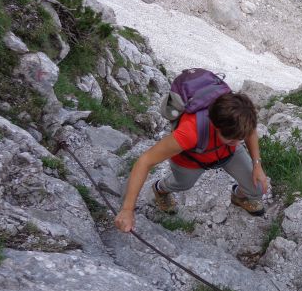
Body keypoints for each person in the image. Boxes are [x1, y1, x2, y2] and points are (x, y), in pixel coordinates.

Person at [114, 92, 268, 233]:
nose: (237, 142)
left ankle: (239, 196)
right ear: (216, 126)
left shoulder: (238, 115)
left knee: (258, 188)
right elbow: (145, 161)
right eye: (233, 138)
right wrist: (127, 209)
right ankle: (160, 189)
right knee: (183, 184)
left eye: (239, 138)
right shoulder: (190, 132)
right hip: (191, 159)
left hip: (227, 153)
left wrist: (257, 165)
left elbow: (249, 130)